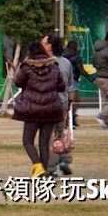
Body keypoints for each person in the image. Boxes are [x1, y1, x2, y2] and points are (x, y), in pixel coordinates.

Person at [12, 40, 66, 178]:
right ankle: (44, 172)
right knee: (44, 142)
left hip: (32, 110)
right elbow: (61, 86)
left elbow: (18, 82)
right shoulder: (54, 66)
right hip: (51, 109)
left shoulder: (26, 67)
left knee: (27, 141)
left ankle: (38, 166)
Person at [42, 35, 74, 176]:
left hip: (47, 103)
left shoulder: (43, 62)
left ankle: (51, 168)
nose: (41, 45)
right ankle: (65, 160)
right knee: (60, 134)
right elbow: (70, 83)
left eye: (43, 43)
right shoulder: (66, 62)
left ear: (49, 46)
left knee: (49, 137)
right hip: (62, 103)